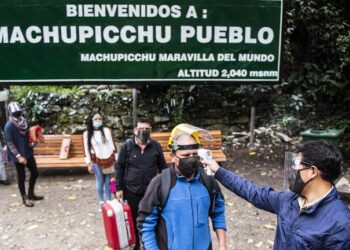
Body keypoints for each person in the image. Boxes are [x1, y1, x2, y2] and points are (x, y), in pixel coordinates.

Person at [204, 140, 350, 249]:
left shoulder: (341, 224)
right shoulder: (289, 200)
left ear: (313, 171)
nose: (292, 169)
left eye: (296, 164)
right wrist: (218, 171)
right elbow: (253, 193)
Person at [137, 124, 227, 250]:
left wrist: (222, 246)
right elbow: (146, 225)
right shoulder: (160, 184)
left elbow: (218, 211)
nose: (191, 159)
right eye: (185, 155)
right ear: (172, 157)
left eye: (194, 154)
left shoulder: (208, 181)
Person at [115, 117, 168, 250]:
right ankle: (138, 245)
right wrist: (118, 188)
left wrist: (170, 183)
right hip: (132, 190)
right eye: (141, 129)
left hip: (151, 191)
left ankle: (152, 243)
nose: (144, 131)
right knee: (134, 219)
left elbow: (163, 167)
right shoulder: (127, 147)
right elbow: (119, 168)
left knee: (152, 218)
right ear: (134, 130)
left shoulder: (156, 146)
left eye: (147, 129)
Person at [4, 102, 43, 207]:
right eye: (15, 112)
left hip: (27, 151)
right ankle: (24, 197)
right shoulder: (9, 126)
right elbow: (10, 143)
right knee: (22, 176)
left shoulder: (24, 121)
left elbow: (28, 135)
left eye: (18, 111)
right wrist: (19, 157)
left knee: (35, 173)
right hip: (18, 154)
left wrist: (35, 140)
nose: (17, 113)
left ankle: (31, 194)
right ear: (10, 113)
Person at [83, 111, 117, 212]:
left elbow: (112, 145)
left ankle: (109, 201)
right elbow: (86, 149)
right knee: (100, 181)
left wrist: (115, 158)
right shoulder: (87, 134)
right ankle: (101, 201)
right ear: (91, 121)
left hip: (108, 159)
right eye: (95, 119)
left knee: (108, 181)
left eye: (100, 119)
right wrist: (89, 163)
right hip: (96, 160)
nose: (98, 121)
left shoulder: (106, 131)